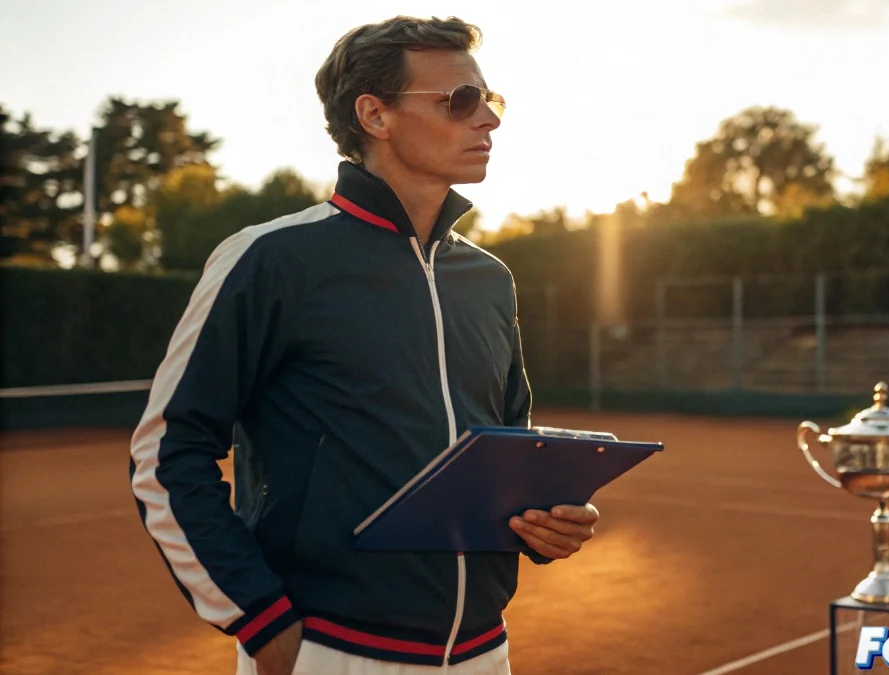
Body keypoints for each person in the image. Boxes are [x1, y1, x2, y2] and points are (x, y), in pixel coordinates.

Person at [129, 15, 600, 675]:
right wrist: (265, 627)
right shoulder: (270, 259)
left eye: (490, 101)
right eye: (461, 100)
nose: (488, 120)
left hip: (482, 652)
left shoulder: (490, 279)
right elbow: (165, 454)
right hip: (330, 653)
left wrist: (547, 518)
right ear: (375, 115)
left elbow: (504, 452)